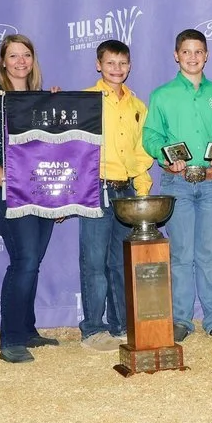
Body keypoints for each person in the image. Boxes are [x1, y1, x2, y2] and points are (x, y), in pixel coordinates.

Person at [144, 30, 212, 342]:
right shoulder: (162, 95)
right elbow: (151, 136)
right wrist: (165, 157)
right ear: (176, 55)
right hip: (178, 182)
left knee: (207, 253)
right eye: (186, 52)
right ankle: (182, 320)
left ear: (207, 55)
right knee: (182, 254)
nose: (192, 57)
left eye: (198, 51)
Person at [0, 35, 61, 364]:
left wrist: (57, 109)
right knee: (24, 260)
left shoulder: (43, 99)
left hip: (41, 192)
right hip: (6, 194)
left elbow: (59, 151)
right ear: (3, 61)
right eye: (13, 55)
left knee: (32, 262)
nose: (21, 61)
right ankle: (10, 339)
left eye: (26, 55)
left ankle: (26, 329)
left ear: (33, 60)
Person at [79, 39, 155, 351]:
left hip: (125, 190)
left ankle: (121, 323)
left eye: (122, 63)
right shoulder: (85, 100)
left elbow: (141, 151)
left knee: (119, 261)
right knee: (94, 261)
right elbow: (72, 146)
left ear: (130, 66)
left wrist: (143, 188)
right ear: (99, 65)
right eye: (110, 63)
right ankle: (93, 329)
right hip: (96, 187)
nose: (117, 69)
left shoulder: (138, 107)